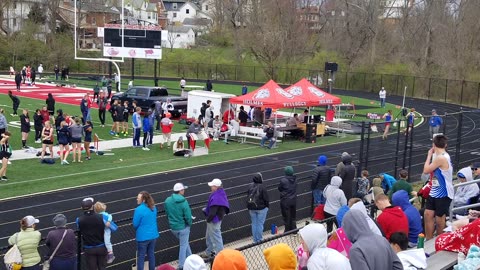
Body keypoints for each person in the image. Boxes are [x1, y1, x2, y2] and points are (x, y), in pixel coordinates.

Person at [423, 134, 453, 240]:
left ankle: (439, 240)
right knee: (428, 214)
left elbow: (426, 170)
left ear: (433, 145)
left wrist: (429, 155)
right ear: (445, 145)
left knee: (439, 219)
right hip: (435, 190)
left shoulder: (441, 158)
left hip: (444, 192)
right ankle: (429, 239)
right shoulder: (441, 155)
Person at [164, 183, 193, 269]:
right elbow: (188, 216)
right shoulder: (184, 201)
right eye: (183, 190)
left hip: (173, 228)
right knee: (183, 246)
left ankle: (191, 259)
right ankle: (181, 266)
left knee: (185, 243)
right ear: (180, 191)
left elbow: (167, 213)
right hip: (183, 227)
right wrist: (190, 224)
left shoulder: (167, 200)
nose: (184, 191)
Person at [77, 198, 107, 270]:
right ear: (93, 206)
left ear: (82, 208)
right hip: (101, 246)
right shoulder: (102, 217)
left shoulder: (79, 219)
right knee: (102, 267)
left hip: (89, 248)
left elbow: (79, 229)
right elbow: (113, 228)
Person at [203, 178, 230, 258]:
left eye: (212, 186)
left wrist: (208, 219)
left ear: (216, 187)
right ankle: (209, 251)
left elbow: (213, 212)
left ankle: (221, 255)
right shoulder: (221, 193)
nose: (211, 187)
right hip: (218, 218)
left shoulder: (216, 197)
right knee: (209, 236)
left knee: (216, 237)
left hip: (214, 220)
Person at [133, 191, 160, 270]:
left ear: (143, 199)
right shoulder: (153, 207)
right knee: (151, 254)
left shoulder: (138, 209)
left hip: (142, 237)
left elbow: (135, 224)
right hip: (153, 235)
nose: (137, 199)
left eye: (138, 198)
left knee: (141, 256)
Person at [247, 172, 270, 243]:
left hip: (251, 207)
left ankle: (255, 240)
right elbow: (266, 198)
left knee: (254, 223)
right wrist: (267, 206)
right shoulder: (262, 187)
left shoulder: (250, 186)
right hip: (261, 208)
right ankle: (259, 239)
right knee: (260, 224)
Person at [278, 166, 297, 232]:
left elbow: (279, 188)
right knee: (293, 216)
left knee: (286, 216)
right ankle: (294, 229)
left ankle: (287, 230)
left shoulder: (283, 180)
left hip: (285, 201)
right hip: (293, 200)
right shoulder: (295, 179)